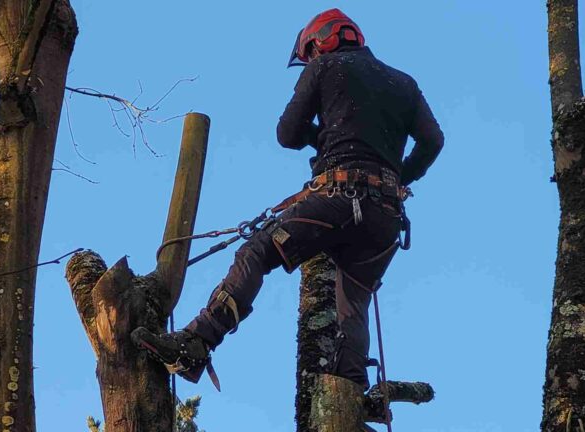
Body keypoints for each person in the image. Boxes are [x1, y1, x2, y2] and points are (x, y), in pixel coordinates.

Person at [132, 8, 443, 391]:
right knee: (354, 304)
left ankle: (196, 342)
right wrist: (395, 178)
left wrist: (325, 137)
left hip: (338, 197)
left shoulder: (325, 68)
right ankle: (353, 393)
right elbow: (433, 142)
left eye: (311, 54)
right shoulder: (405, 83)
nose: (311, 61)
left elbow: (288, 133)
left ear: (320, 42)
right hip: (385, 216)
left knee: (258, 251)